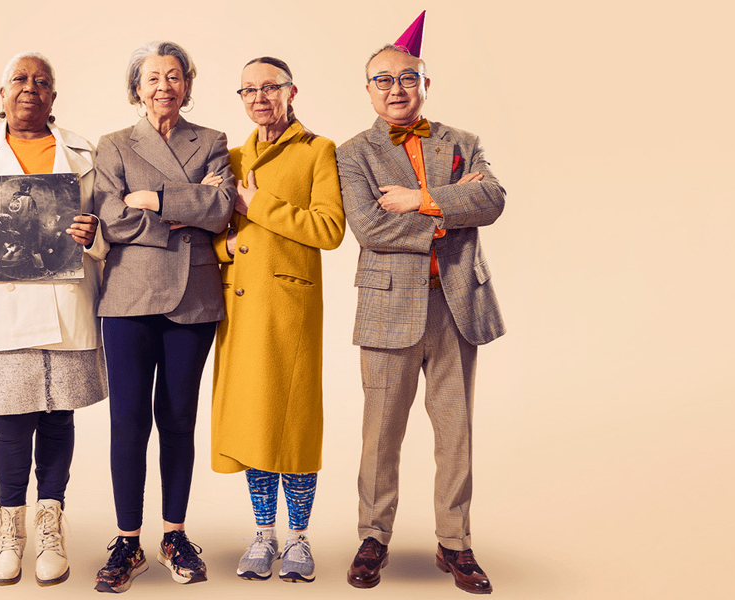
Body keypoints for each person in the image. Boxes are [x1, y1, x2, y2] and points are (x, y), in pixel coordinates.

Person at [336, 27, 506, 595]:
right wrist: (451, 210)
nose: (397, 88)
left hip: (457, 304)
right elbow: (369, 227)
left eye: (408, 78)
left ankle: (455, 541)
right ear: (368, 89)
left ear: (425, 84)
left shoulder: (463, 141)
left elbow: (492, 200)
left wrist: (419, 199)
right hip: (388, 306)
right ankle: (373, 536)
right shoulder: (353, 153)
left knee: (456, 433)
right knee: (381, 433)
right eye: (383, 80)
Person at [0, 51, 108, 588]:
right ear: (2, 93)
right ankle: (10, 531)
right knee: (9, 421)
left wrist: (94, 235)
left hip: (65, 302)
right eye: (20, 80)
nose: (30, 87)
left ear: (53, 97)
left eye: (42, 81)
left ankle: (50, 526)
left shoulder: (84, 152)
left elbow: (112, 224)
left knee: (57, 417)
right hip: (3, 306)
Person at [91, 40, 233, 593]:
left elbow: (221, 211)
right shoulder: (113, 144)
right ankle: (128, 541)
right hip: (128, 297)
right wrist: (183, 207)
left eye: (174, 77)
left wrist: (150, 198)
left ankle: (175, 535)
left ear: (187, 85)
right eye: (152, 78)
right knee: (127, 420)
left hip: (193, 298)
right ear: (137, 88)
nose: (163, 87)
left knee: (178, 418)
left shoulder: (212, 140)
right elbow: (109, 216)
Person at [209, 57, 345, 584]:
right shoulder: (231, 157)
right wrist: (226, 247)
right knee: (255, 421)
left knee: (295, 422)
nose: (259, 97)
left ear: (292, 92)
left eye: (270, 88)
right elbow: (210, 233)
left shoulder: (318, 151)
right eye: (248, 89)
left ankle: (298, 538)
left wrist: (258, 204)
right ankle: (264, 535)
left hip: (290, 310)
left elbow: (329, 229)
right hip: (240, 311)